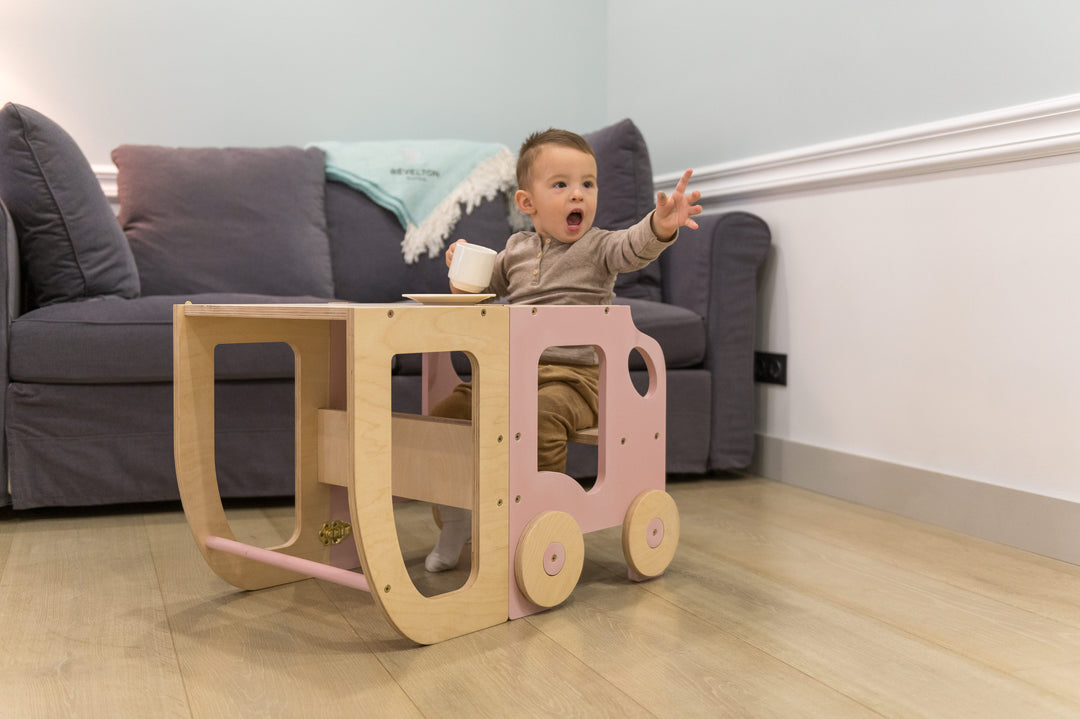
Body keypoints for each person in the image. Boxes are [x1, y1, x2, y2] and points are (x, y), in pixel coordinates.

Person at [424, 128, 701, 572]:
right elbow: (476, 291)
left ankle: (539, 521)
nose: (578, 195)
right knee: (445, 419)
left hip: (574, 380)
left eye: (587, 184)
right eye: (561, 185)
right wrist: (461, 268)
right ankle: (457, 522)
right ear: (526, 203)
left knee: (540, 416)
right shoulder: (514, 250)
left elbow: (633, 246)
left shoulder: (598, 247)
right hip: (512, 376)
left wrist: (660, 225)